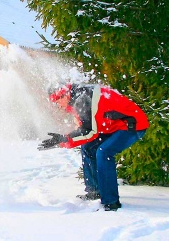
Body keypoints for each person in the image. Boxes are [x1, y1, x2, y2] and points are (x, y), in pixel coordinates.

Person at [39, 83, 149, 211]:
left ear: (64, 95)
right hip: (114, 127)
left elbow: (90, 132)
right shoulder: (77, 98)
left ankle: (111, 202)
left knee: (104, 152)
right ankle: (94, 191)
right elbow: (86, 127)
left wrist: (65, 139)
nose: (58, 105)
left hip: (132, 125)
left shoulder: (83, 99)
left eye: (57, 101)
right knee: (88, 147)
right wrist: (64, 139)